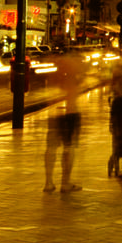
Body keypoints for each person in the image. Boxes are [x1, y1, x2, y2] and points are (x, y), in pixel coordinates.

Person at [43, 48, 85, 193]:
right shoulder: (74, 66)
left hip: (54, 110)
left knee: (51, 147)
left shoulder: (53, 67)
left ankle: (48, 182)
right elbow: (79, 82)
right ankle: (65, 182)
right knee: (69, 147)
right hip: (70, 111)